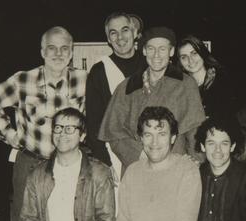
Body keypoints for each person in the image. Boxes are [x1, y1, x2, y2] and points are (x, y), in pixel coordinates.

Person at [0, 26, 87, 221]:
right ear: (42, 52)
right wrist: (9, 135)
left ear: (71, 52)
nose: (58, 54)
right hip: (31, 164)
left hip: (70, 166)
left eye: (64, 49)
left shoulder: (83, 79)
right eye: (52, 48)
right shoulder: (22, 80)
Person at [98, 26, 205, 170]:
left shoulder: (185, 84)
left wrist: (196, 164)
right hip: (137, 168)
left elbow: (195, 133)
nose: (156, 55)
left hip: (175, 169)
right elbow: (114, 133)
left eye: (162, 49)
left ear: (171, 51)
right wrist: (141, 156)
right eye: (151, 49)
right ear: (143, 51)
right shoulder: (127, 87)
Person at [86, 12, 146, 174]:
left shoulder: (149, 64)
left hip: (154, 149)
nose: (120, 37)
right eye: (113, 33)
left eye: (125, 30)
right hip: (114, 155)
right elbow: (93, 122)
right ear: (108, 39)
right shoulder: (99, 71)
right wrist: (105, 161)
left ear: (134, 33)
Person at [176, 35, 235, 121]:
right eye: (184, 57)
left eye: (194, 53)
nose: (190, 60)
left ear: (202, 53)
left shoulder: (222, 81)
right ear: (180, 62)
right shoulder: (180, 87)